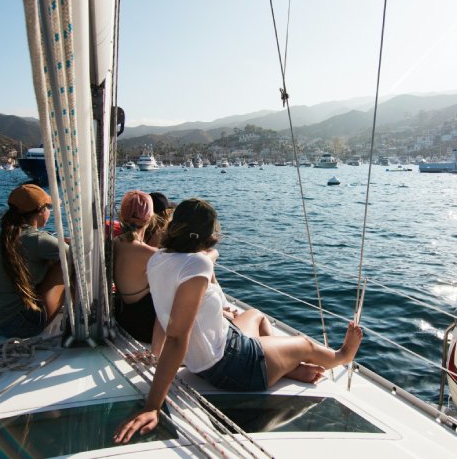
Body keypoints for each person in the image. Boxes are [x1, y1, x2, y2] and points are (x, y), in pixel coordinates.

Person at [114, 198, 363, 443]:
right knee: (305, 344)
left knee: (256, 315)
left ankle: (286, 366)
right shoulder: (197, 265)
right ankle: (341, 356)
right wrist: (153, 406)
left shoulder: (159, 259)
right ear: (205, 234)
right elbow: (178, 337)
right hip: (235, 364)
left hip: (206, 359)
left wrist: (211, 259)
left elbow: (166, 313)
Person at [0, 184, 67, 338]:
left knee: (52, 259)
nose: (49, 211)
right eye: (48, 207)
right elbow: (75, 256)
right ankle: (84, 314)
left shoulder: (1, 237)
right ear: (41, 211)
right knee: (65, 262)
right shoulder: (36, 240)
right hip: (21, 326)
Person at [113, 190, 164, 354]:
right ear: (150, 219)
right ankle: (157, 352)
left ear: (122, 216)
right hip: (144, 327)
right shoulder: (149, 253)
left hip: (123, 318)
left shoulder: (114, 243)